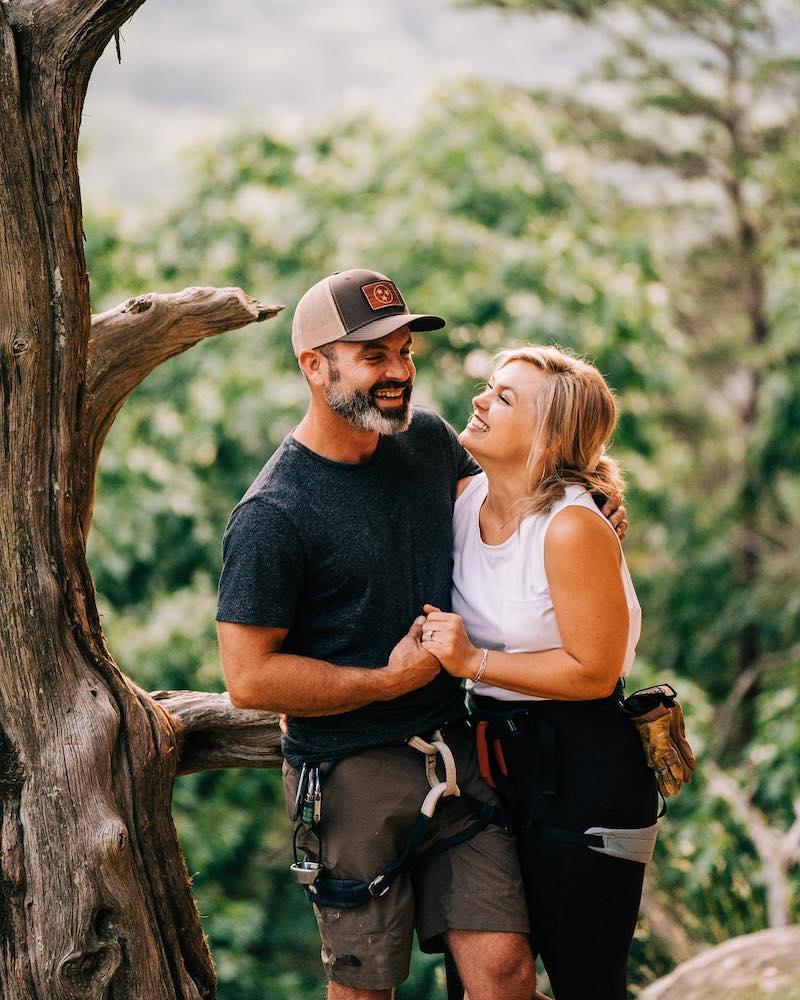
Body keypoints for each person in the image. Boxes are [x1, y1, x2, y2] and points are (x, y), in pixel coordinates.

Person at [215, 269, 538, 1000]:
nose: (398, 373)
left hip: (452, 754)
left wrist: (582, 511)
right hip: (346, 777)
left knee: (506, 972)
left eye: (404, 353)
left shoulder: (426, 441)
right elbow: (249, 679)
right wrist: (387, 681)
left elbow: (500, 519)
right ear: (314, 366)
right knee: (368, 991)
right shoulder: (273, 514)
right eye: (373, 357)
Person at [419, 346, 659, 1000]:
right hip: (493, 769)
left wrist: (475, 663)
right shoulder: (463, 501)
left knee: (586, 983)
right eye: (488, 387)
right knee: (480, 980)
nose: (479, 401)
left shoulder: (572, 526)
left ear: (551, 439)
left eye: (503, 398)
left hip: (587, 774)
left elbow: (594, 670)